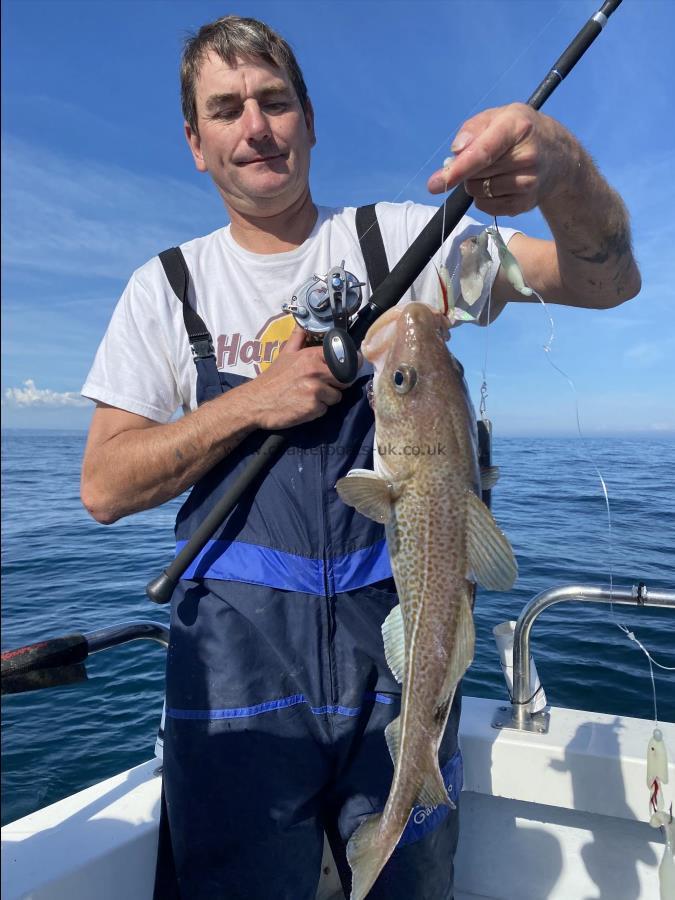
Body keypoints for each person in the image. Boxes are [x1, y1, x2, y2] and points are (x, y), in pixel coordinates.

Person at [80, 15, 640, 900]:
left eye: (274, 101)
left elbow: (606, 280)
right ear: (194, 143)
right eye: (225, 110)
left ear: (308, 117)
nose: (254, 126)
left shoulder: (404, 246)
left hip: (396, 654)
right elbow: (105, 487)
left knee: (408, 879)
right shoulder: (165, 291)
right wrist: (253, 400)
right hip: (237, 669)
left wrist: (561, 171)